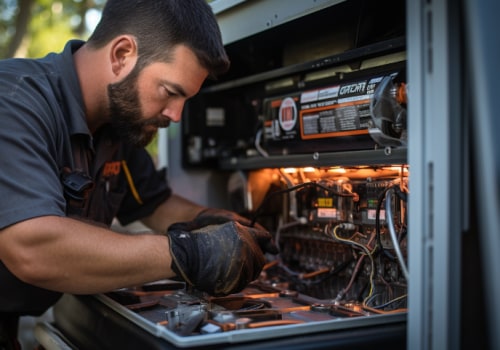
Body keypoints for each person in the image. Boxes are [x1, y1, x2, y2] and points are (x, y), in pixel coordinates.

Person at [0, 0, 276, 348]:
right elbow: (31, 247)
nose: (176, 115)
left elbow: (154, 204)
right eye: (171, 92)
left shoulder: (117, 126)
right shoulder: (13, 101)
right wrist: (189, 253)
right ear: (122, 54)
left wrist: (217, 225)